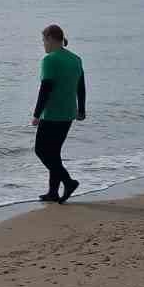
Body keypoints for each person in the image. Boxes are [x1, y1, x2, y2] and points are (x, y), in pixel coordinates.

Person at [31, 23, 86, 203]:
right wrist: (82, 109)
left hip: (53, 113)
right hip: (69, 112)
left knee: (41, 150)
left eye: (43, 41)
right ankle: (53, 192)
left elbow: (45, 88)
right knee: (54, 153)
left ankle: (68, 182)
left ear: (50, 39)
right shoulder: (75, 59)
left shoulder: (50, 60)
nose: (43, 45)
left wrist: (37, 114)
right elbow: (81, 86)